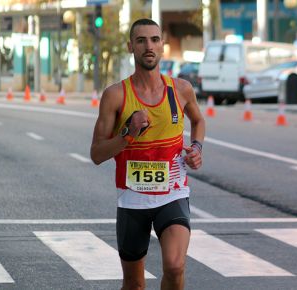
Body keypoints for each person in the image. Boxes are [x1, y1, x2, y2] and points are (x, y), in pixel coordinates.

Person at [90, 18, 205, 290]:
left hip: (173, 194)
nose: (148, 46)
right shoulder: (116, 95)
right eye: (141, 40)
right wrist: (127, 135)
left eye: (154, 39)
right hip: (133, 200)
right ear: (131, 46)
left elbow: (198, 121)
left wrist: (197, 148)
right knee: (134, 284)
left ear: (162, 46)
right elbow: (96, 153)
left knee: (175, 267)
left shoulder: (181, 89)